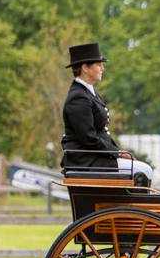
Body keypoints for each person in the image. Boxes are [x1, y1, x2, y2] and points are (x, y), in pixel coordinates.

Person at [61, 42, 154, 186]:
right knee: (144, 170)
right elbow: (88, 138)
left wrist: (118, 151)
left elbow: (100, 133)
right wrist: (117, 153)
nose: (102, 68)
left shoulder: (89, 92)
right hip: (86, 160)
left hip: (95, 156)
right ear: (85, 68)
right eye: (98, 65)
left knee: (141, 167)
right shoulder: (78, 98)